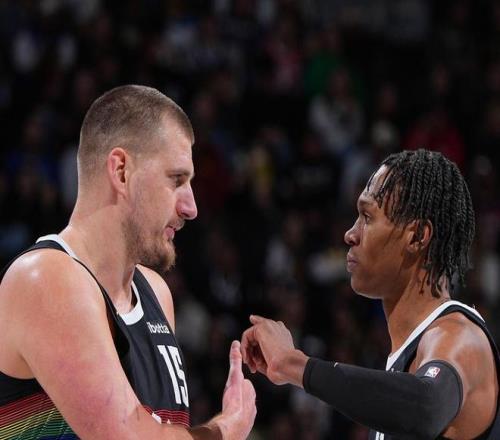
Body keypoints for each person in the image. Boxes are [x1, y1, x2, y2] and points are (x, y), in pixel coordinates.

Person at [0, 85, 256, 439]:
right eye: (176, 180)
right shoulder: (44, 278)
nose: (191, 208)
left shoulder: (156, 294)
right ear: (121, 171)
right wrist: (227, 428)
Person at [242, 149, 500, 439]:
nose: (350, 234)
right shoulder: (402, 366)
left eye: (367, 216)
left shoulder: (460, 336)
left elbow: (427, 407)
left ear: (417, 236)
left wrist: (292, 363)